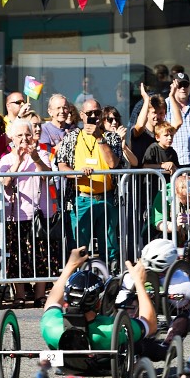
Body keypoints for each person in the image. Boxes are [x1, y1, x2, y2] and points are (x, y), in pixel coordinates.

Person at [40, 246, 158, 354]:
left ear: (66, 300)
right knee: (150, 346)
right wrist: (139, 282)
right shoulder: (111, 329)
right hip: (103, 367)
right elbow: (150, 325)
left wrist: (71, 265)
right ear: (98, 304)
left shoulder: (51, 326)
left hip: (68, 367)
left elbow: (52, 303)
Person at [56, 98, 122, 265]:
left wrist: (100, 138)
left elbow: (113, 163)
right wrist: (77, 174)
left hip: (106, 198)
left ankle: (110, 280)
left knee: (110, 245)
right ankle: (79, 280)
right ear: (82, 115)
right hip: (82, 198)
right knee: (79, 245)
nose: (94, 116)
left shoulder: (111, 137)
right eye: (90, 113)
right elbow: (62, 165)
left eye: (97, 113)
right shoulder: (72, 137)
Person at [0, 115, 55, 306]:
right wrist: (18, 161)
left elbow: (48, 175)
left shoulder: (42, 154)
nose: (24, 139)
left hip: (39, 213)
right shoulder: (7, 159)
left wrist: (35, 157)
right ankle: (20, 295)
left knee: (41, 255)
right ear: (12, 138)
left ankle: (39, 295)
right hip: (15, 214)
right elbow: (5, 183)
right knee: (16, 256)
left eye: (27, 135)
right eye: (19, 135)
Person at [165, 70, 190, 166]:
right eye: (179, 85)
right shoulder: (165, 104)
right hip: (172, 160)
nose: (182, 88)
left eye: (185, 85)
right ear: (172, 87)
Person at [39, 93, 73, 158]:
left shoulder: (73, 129)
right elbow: (47, 154)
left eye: (65, 108)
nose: (62, 111)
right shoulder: (42, 130)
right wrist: (65, 141)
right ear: (50, 112)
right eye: (58, 108)